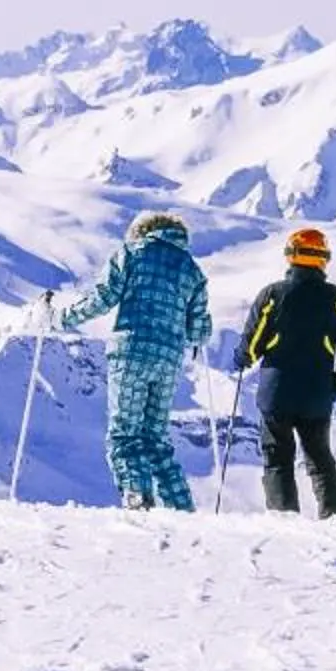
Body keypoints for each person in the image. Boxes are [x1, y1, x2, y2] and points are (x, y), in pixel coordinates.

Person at [59, 209, 215, 512]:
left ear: (141, 231)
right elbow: (198, 332)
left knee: (124, 434)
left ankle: (137, 497)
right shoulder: (192, 271)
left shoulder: (131, 253)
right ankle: (181, 506)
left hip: (130, 353)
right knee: (156, 437)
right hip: (169, 360)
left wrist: (59, 317)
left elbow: (101, 300)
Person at [232, 226, 336, 519]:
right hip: (317, 393)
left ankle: (283, 516)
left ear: (290, 257)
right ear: (324, 259)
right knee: (320, 459)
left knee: (278, 458)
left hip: (276, 392)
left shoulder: (272, 295)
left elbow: (253, 344)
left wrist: (241, 358)